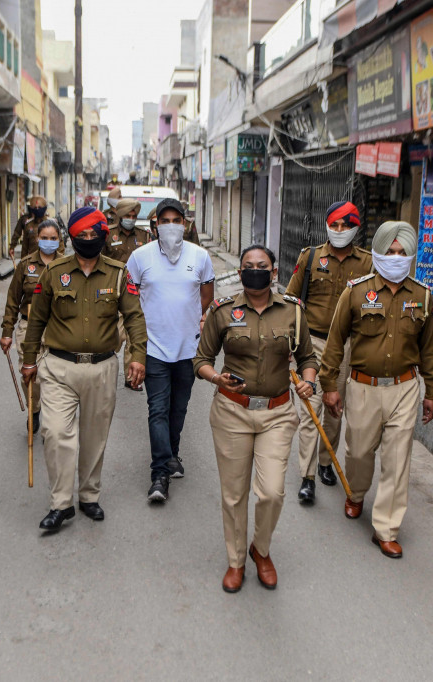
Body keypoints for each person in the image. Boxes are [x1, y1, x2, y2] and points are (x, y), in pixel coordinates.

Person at [194, 245, 317, 593]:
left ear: (274, 272)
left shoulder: (293, 313)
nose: (254, 271)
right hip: (232, 412)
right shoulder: (222, 310)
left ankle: (260, 550)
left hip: (277, 414)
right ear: (240, 271)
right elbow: (201, 359)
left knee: (272, 493)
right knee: (234, 494)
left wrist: (308, 381)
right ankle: (236, 561)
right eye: (248, 266)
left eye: (261, 266)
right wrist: (215, 377)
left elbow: (308, 357)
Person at [319, 220, 433, 560]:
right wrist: (330, 385)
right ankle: (356, 493)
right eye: (391, 252)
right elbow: (335, 342)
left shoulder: (422, 296)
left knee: (397, 460)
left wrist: (431, 390)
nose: (397, 258)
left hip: (404, 388)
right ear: (378, 252)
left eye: (404, 253)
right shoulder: (356, 292)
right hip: (362, 387)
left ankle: (385, 529)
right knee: (358, 452)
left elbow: (430, 350)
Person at [21, 206, 148, 531]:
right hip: (58, 367)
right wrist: (29, 359)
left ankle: (89, 496)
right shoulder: (54, 272)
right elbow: (36, 318)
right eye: (82, 235)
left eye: (94, 235)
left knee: (94, 438)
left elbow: (134, 317)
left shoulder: (119, 273)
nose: (88, 240)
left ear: (103, 236)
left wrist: (138, 356)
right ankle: (61, 503)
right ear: (73, 237)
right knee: (56, 433)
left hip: (102, 368)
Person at [126, 197, 215, 503]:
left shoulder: (201, 256)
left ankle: (172, 454)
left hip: (188, 349)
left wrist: (187, 318)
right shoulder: (139, 257)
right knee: (158, 410)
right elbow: (130, 300)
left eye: (176, 220)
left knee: (179, 409)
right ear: (155, 226)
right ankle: (159, 473)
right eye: (165, 221)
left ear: (186, 224)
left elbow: (206, 294)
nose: (171, 226)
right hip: (153, 349)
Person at [284, 201, 372, 505]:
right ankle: (307, 476)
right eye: (334, 225)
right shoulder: (309, 258)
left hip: (348, 348)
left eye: (345, 226)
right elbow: (292, 300)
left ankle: (325, 461)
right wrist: (289, 344)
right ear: (326, 226)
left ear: (356, 228)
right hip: (313, 344)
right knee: (310, 409)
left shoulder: (368, 264)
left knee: (335, 411)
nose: (339, 231)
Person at [0, 219, 62, 432]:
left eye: (53, 239)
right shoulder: (26, 265)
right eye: (44, 238)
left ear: (59, 240)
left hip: (56, 329)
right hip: (28, 329)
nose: (48, 242)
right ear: (37, 238)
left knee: (54, 376)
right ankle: (33, 410)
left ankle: (51, 419)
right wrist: (7, 332)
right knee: (31, 375)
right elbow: (12, 300)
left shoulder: (65, 265)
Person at [104, 198, 153, 391]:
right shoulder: (108, 235)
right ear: (119, 215)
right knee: (113, 336)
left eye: (133, 216)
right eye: (127, 216)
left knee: (134, 335)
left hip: (136, 293)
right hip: (112, 292)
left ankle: (131, 378)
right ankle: (101, 369)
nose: (130, 219)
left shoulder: (144, 236)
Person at [9, 195, 50, 260]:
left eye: (39, 207)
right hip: (32, 258)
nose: (37, 209)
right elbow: (17, 234)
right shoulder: (25, 221)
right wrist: (12, 246)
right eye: (35, 207)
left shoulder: (50, 223)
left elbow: (59, 245)